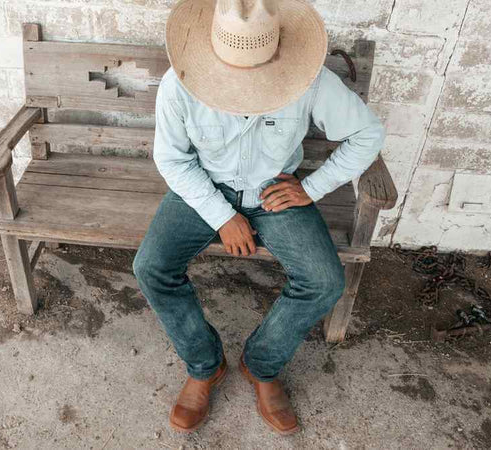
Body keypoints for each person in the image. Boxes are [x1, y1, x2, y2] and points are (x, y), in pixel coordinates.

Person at [132, 0, 385, 435]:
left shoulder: (310, 80)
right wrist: (221, 215)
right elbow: (172, 161)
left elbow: (368, 134)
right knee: (151, 268)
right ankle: (204, 366)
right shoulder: (180, 83)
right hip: (204, 188)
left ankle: (262, 366)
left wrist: (310, 188)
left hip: (275, 191)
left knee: (325, 281)